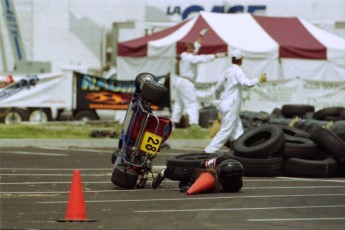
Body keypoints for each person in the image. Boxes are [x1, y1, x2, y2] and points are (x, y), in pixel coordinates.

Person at [204, 49, 267, 153]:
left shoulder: (227, 71)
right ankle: (209, 150)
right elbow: (245, 83)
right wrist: (258, 80)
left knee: (237, 129)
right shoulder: (237, 70)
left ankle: (238, 149)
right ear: (240, 60)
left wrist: (217, 99)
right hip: (231, 104)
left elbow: (218, 87)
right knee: (226, 129)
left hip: (226, 103)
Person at [171, 29, 225, 128]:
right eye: (190, 49)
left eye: (192, 49)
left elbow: (197, 45)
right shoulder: (187, 57)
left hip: (180, 82)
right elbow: (200, 58)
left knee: (179, 104)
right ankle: (194, 124)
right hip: (186, 82)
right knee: (192, 103)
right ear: (186, 50)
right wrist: (215, 55)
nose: (192, 50)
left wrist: (201, 35)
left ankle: (173, 124)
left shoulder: (187, 55)